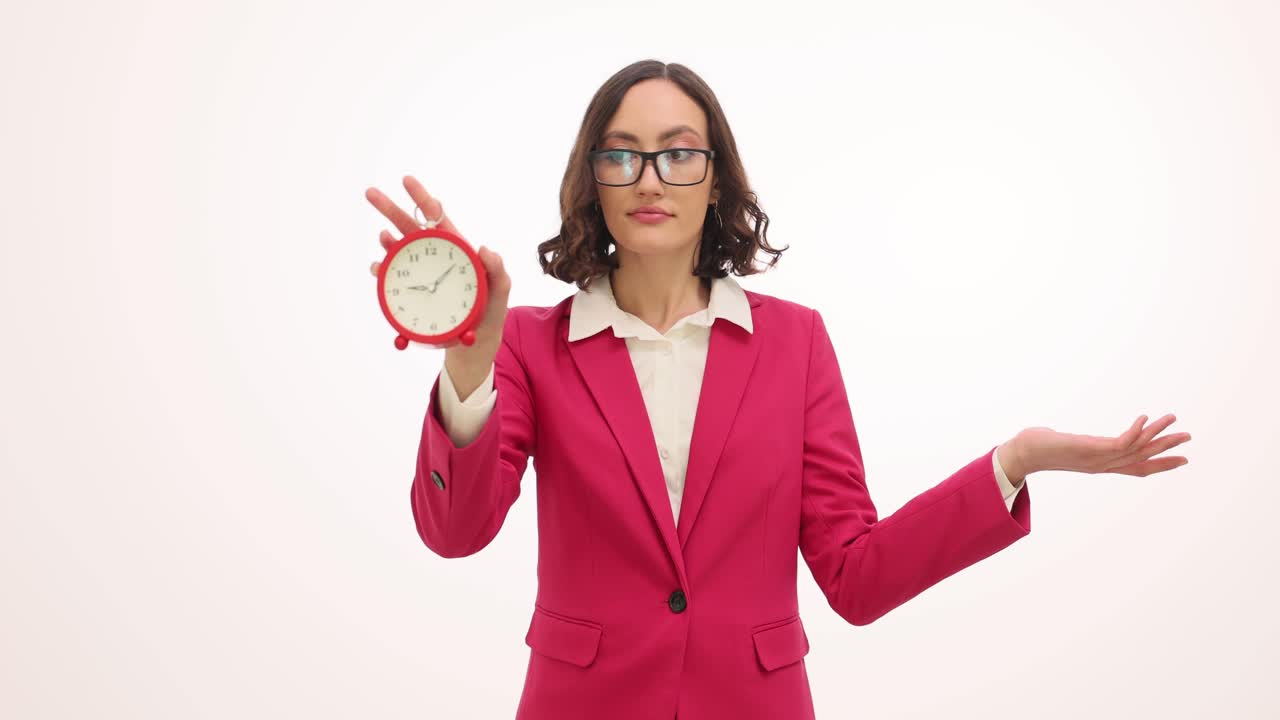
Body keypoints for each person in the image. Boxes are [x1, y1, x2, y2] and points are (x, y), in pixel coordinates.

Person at [365, 59, 1192, 720]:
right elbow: (455, 534)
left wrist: (1014, 463)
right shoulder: (528, 345)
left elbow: (856, 577)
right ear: (593, 181)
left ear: (717, 179)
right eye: (621, 154)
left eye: (679, 152)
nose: (650, 178)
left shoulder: (795, 343)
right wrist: (466, 363)